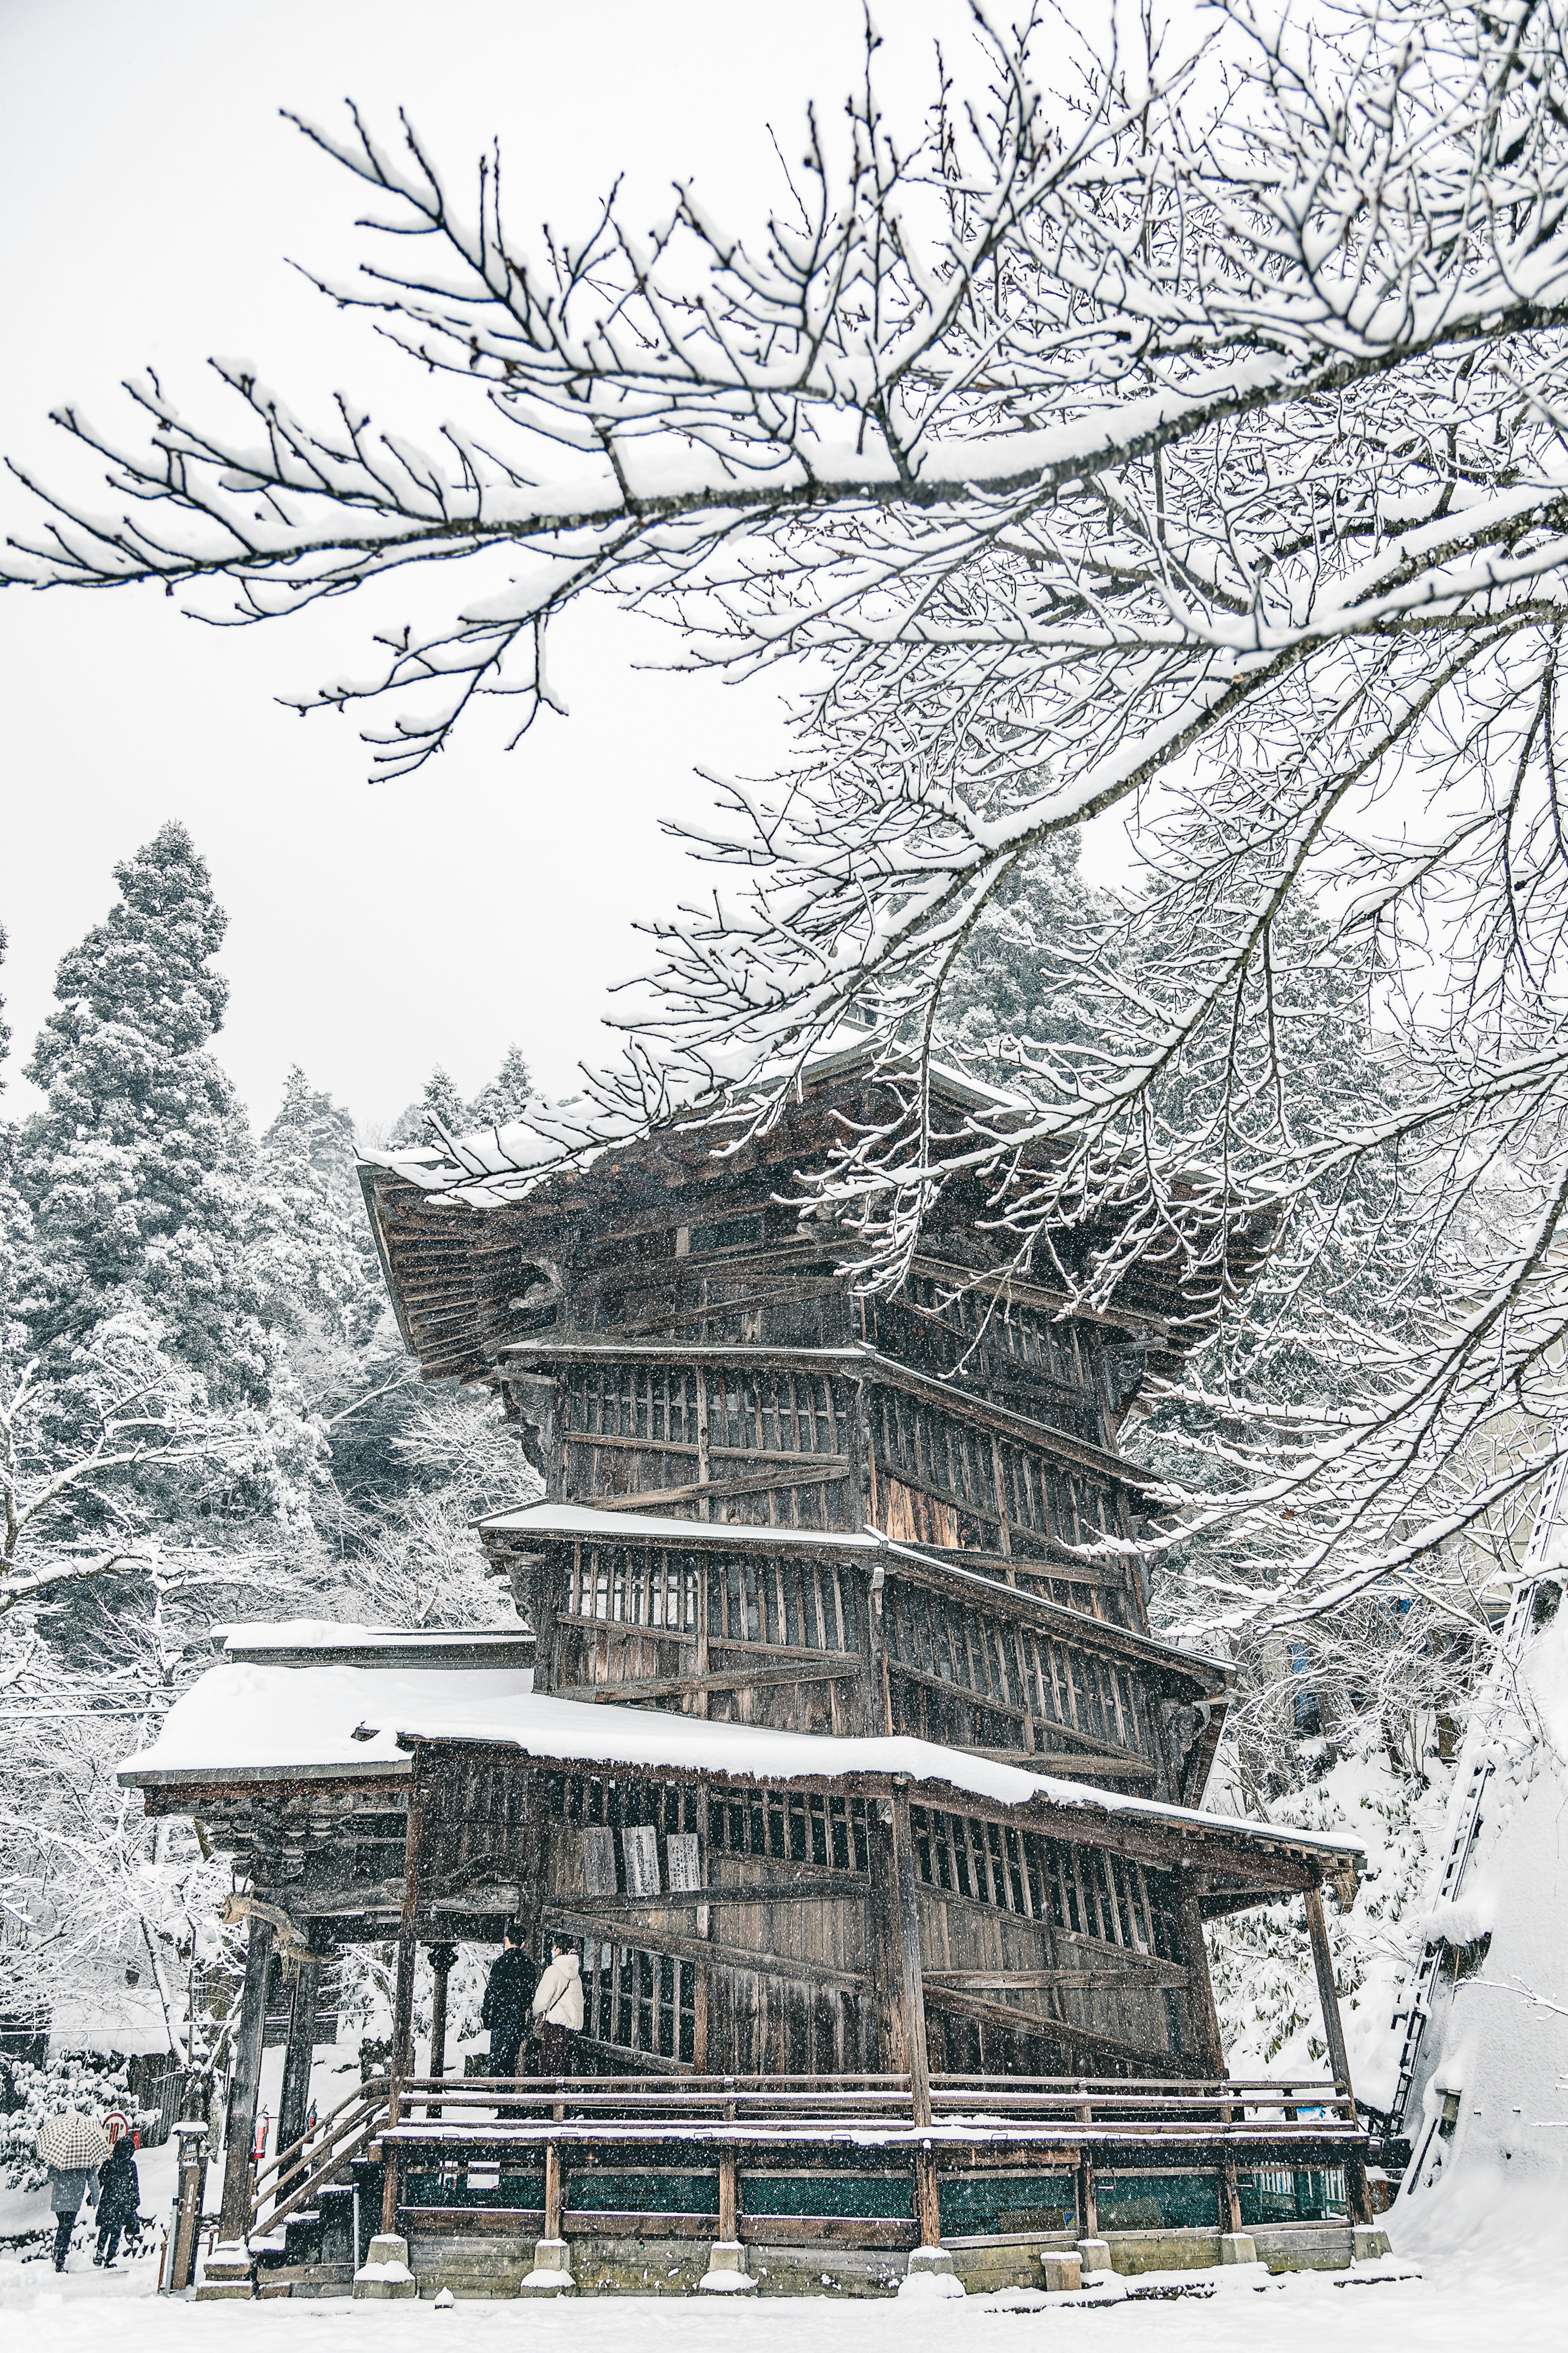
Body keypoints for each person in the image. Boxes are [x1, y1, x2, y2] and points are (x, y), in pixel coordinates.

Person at [480, 1919, 537, 2078]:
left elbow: (491, 1993)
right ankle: (507, 2097)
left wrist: (488, 2016)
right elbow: (529, 1995)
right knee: (510, 2064)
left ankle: (497, 2098)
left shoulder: (501, 1963)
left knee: (497, 2062)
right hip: (516, 2021)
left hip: (500, 2019)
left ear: (506, 1940)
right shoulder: (527, 1965)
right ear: (523, 1943)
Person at [530, 1936, 584, 2078]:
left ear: (559, 1950)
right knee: (564, 2069)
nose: (552, 1951)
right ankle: (562, 2096)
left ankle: (548, 2098)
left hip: (556, 2027)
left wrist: (536, 2014)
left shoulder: (553, 1971)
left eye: (554, 1948)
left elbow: (541, 2001)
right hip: (573, 2030)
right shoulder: (576, 1975)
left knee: (549, 2068)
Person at [94, 2134, 143, 2268]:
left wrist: (92, 2197)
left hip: (108, 2201)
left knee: (105, 2228)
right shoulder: (131, 2165)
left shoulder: (109, 2164)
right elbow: (134, 2185)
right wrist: (135, 2202)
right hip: (123, 2204)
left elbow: (100, 2181)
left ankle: (100, 2251)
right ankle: (109, 2258)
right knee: (117, 2231)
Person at [45, 2153, 97, 2273]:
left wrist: (63, 2173)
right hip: (74, 2199)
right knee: (67, 2228)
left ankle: (58, 2252)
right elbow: (93, 2179)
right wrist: (95, 2199)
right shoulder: (87, 2156)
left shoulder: (59, 2154)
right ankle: (60, 2258)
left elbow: (51, 2176)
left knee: (63, 2226)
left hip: (59, 2198)